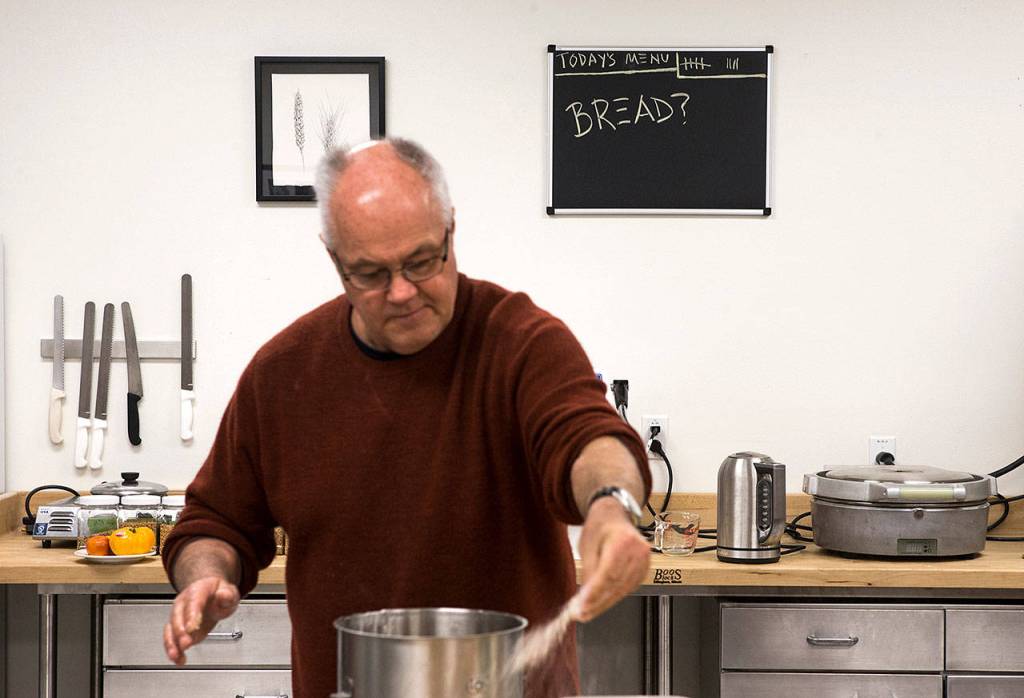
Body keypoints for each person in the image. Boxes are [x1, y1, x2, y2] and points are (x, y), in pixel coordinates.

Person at [161, 137, 652, 697]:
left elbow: (589, 439)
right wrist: (204, 580)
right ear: (334, 260)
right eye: (369, 273)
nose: (401, 292)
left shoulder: (521, 342)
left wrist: (611, 507)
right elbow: (215, 521)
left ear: (451, 231)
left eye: (422, 262)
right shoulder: (283, 373)